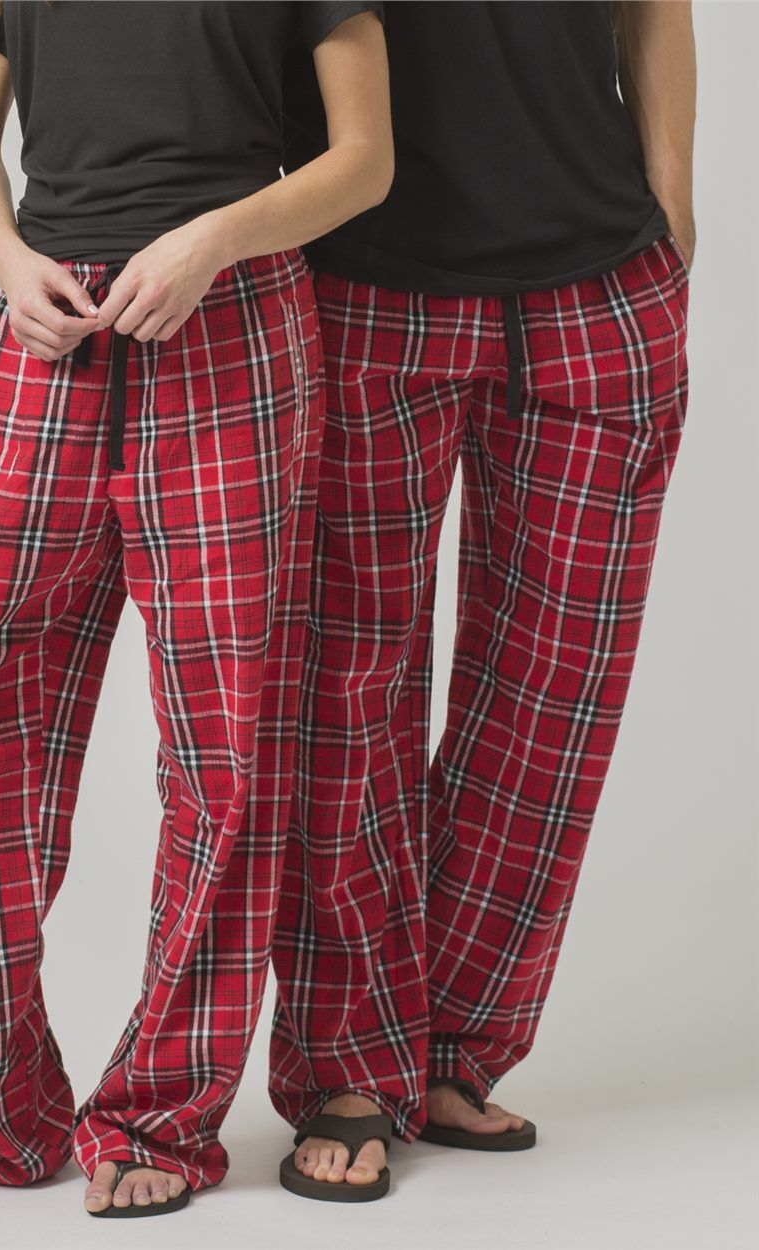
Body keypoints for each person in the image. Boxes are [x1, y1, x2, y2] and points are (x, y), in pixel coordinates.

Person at [0, 0, 391, 1217]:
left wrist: (215, 239)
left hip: (232, 327)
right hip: (47, 331)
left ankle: (160, 1112)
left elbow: (364, 158)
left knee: (226, 743)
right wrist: (8, 260)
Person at [272, 0, 694, 1190]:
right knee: (348, 695)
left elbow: (655, 10)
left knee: (555, 697)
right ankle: (351, 1063)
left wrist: (674, 210)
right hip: (362, 289)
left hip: (600, 292)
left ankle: (454, 1042)